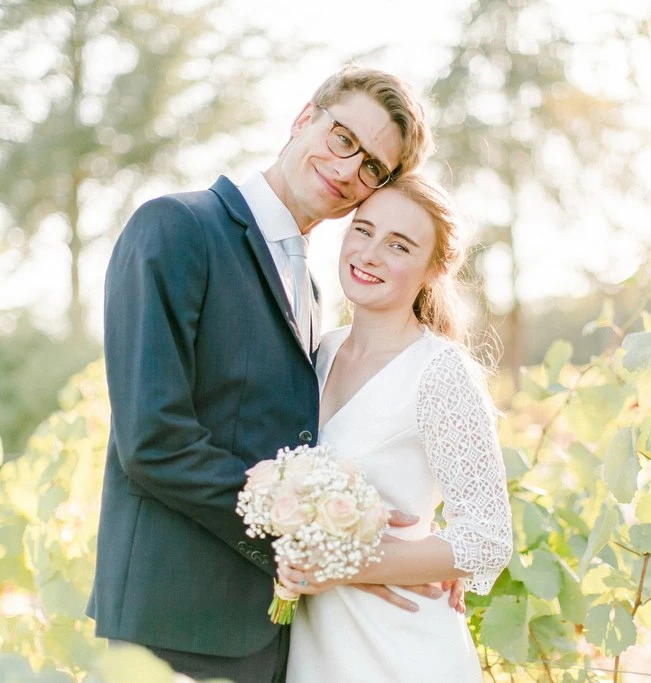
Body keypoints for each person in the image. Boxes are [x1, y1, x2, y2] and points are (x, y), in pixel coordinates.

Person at [86, 66, 435, 682]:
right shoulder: (176, 228)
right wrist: (299, 544)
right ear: (305, 117)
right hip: (177, 623)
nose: (349, 169)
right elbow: (153, 440)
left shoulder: (315, 287)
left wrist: (409, 554)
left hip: (275, 632)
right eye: (342, 138)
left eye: (373, 168)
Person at [278, 174, 514, 682]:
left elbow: (487, 539)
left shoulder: (440, 372)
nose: (370, 254)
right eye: (363, 230)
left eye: (399, 245)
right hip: (314, 648)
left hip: (401, 651)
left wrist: (346, 564)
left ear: (435, 269)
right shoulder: (316, 353)